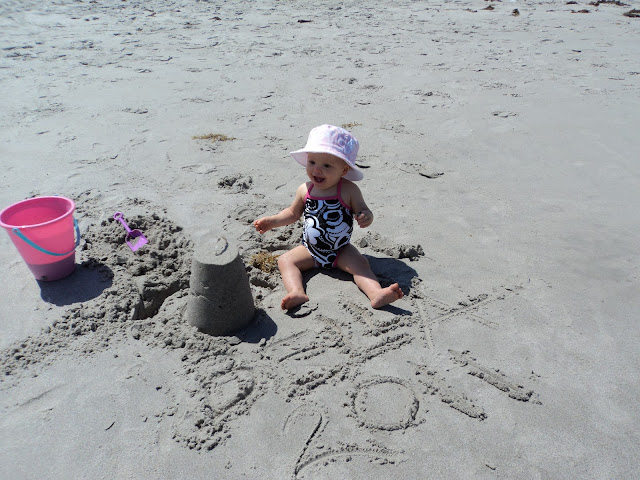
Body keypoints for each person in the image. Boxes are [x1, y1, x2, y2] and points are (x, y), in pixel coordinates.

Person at [253, 124, 404, 311]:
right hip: (310, 250)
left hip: (341, 250)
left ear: (344, 170)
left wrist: (366, 216)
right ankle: (296, 291)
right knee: (285, 261)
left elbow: (363, 210)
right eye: (312, 162)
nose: (317, 169)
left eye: (326, 165)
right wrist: (272, 221)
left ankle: (376, 293)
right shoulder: (305, 190)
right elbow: (292, 213)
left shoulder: (349, 190)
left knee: (361, 264)